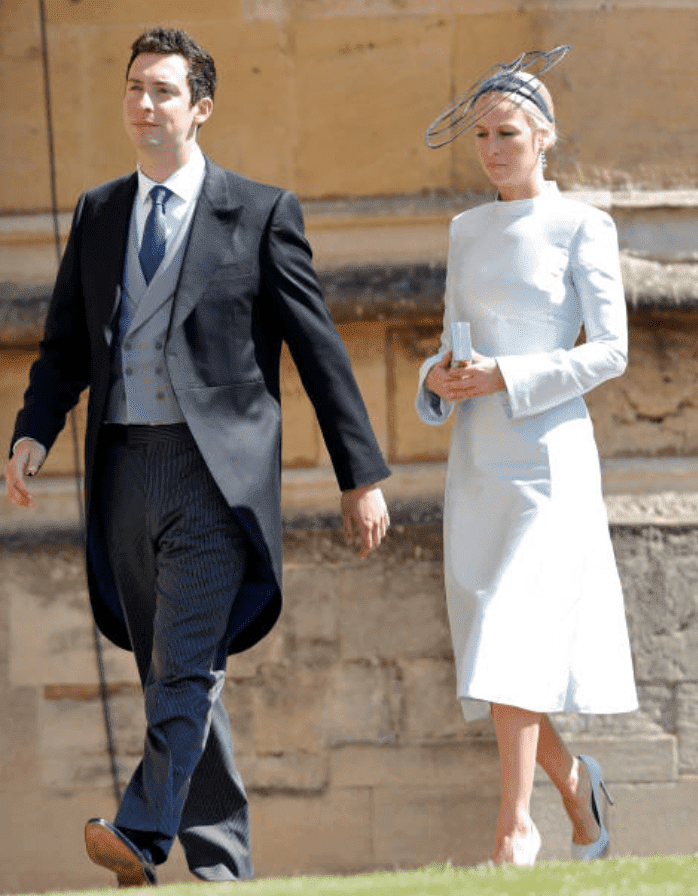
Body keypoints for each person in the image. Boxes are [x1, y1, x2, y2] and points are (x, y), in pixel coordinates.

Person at [6, 27, 390, 887]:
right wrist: (32, 430)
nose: (145, 105)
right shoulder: (99, 212)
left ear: (201, 107)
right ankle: (221, 869)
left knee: (183, 664)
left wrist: (359, 473)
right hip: (122, 473)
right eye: (135, 89)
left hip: (216, 480)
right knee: (176, 673)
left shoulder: (258, 212)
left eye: (164, 92)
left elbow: (318, 348)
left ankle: (142, 835)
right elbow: (66, 344)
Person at [416, 60, 638, 866]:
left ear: (543, 135)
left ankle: (516, 827)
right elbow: (455, 339)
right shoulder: (465, 230)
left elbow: (611, 352)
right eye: (481, 135)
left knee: (510, 632)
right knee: (495, 649)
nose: (492, 148)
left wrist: (510, 376)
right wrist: (435, 379)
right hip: (478, 458)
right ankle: (578, 789)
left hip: (549, 459)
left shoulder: (584, 225)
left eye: (507, 133)